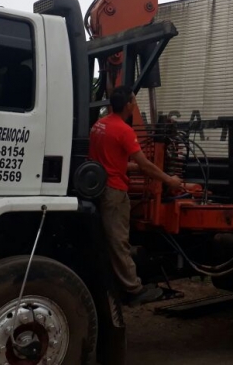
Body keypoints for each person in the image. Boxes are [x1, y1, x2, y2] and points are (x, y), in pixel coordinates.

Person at [89, 84, 184, 306]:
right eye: (134, 101)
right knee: (119, 241)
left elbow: (110, 162)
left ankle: (112, 283)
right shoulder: (124, 130)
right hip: (114, 193)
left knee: (107, 240)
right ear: (129, 105)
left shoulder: (99, 126)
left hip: (100, 188)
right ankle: (133, 289)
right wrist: (170, 180)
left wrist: (136, 167)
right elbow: (144, 164)